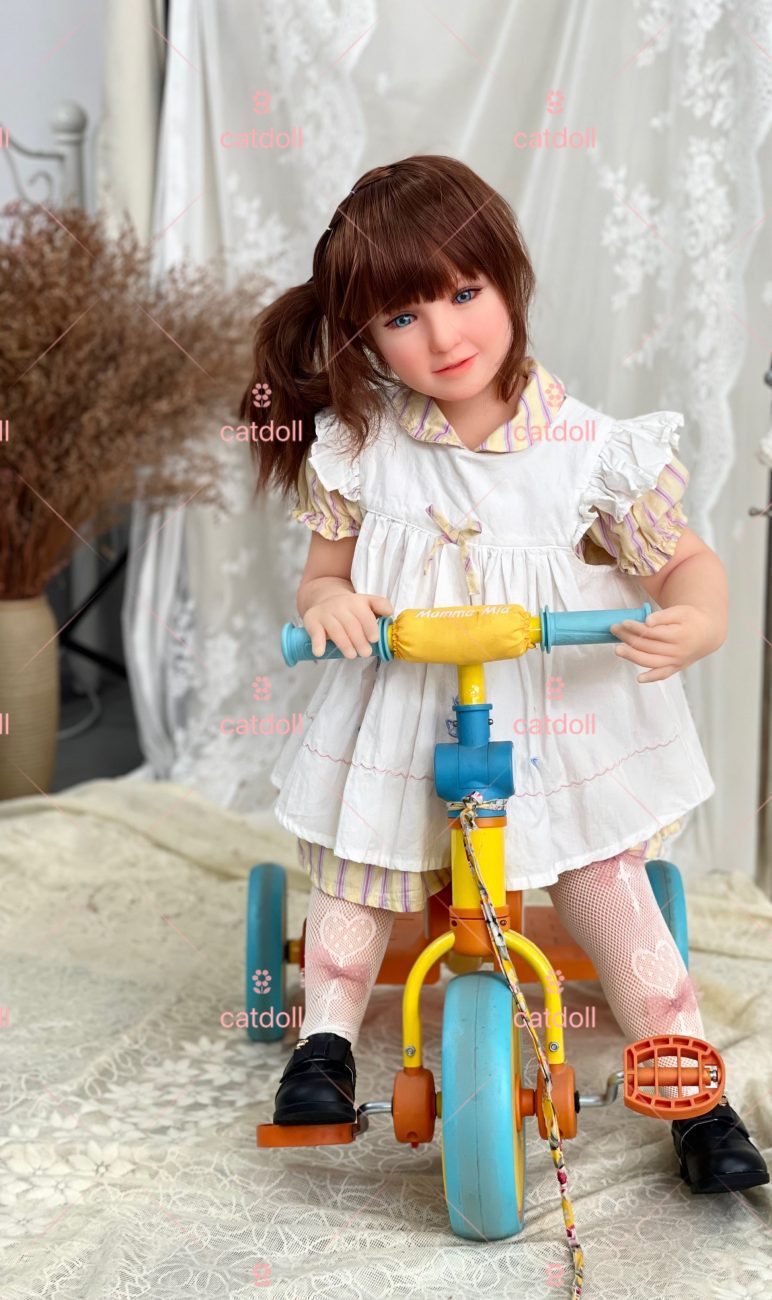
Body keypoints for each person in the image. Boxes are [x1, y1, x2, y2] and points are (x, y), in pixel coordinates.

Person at [239, 155, 768, 1193]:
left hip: (556, 717)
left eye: (464, 294)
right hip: (404, 708)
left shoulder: (585, 447)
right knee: (361, 863)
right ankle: (325, 1046)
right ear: (363, 334)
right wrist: (328, 604)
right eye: (403, 317)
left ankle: (694, 1092)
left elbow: (683, 561)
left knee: (603, 875)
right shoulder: (362, 447)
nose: (444, 337)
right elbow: (322, 577)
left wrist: (699, 614)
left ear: (509, 281)